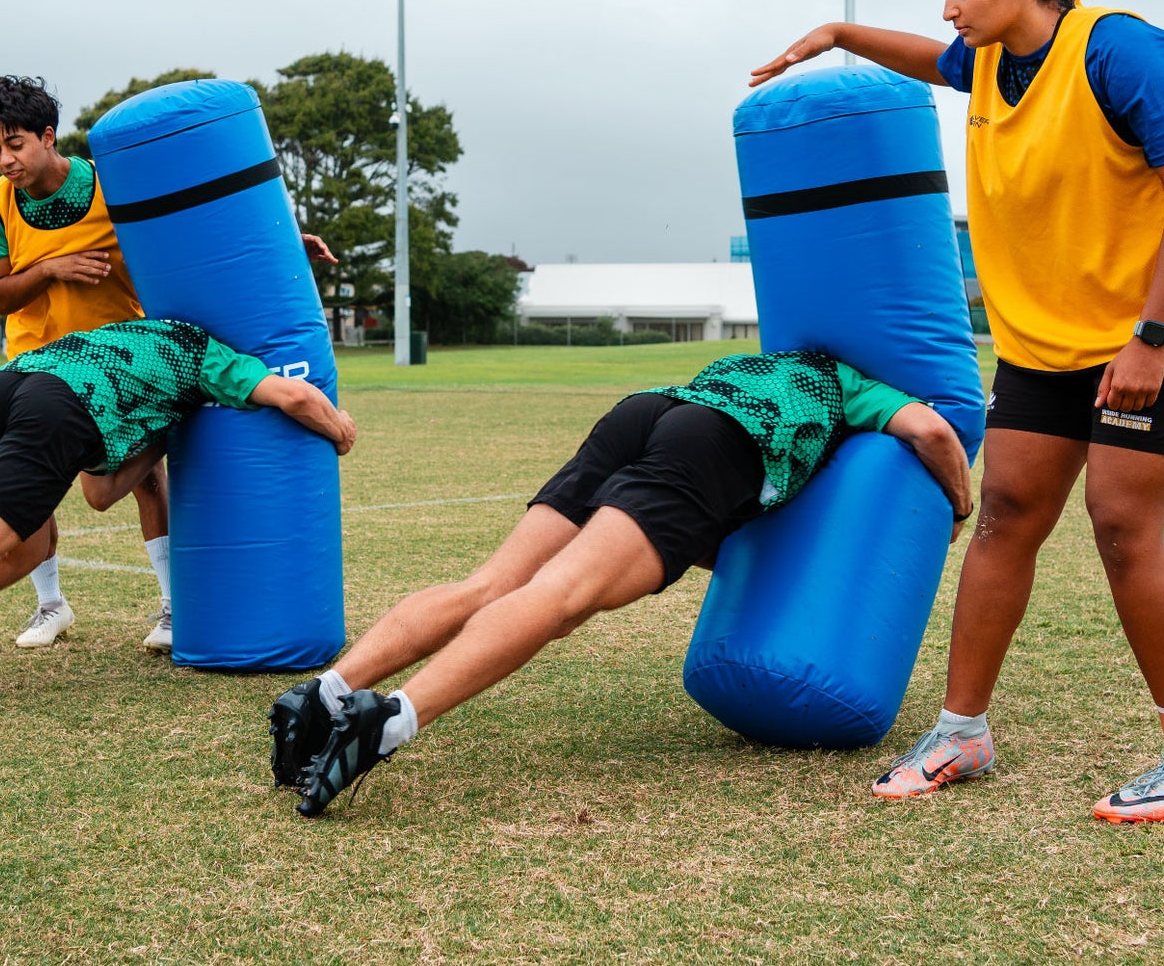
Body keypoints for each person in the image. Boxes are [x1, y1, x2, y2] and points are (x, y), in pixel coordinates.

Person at [752, 0, 1164, 823]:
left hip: (1158, 335)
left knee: (1118, 522)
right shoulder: (987, 63)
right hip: (1044, 340)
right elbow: (928, 58)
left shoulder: (1115, 48)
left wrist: (1150, 336)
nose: (947, 9)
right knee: (1006, 513)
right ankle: (961, 731)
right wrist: (836, 34)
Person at [268, 349, 972, 817]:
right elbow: (933, 433)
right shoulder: (853, 384)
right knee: (557, 598)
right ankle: (388, 722)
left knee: (493, 582)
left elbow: (695, 533)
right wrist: (956, 509)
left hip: (646, 410)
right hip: (713, 444)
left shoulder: (759, 360)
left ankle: (323, 691)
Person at [0, 76, 338, 653]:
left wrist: (286, 242)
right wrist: (50, 269)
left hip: (121, 357)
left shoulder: (109, 185)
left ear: (47, 136)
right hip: (37, 361)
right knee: (29, 490)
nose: (5, 159)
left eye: (14, 144)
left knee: (139, 483)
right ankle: (51, 605)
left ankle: (171, 606)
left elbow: (188, 233)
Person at [0, 319, 355, 697]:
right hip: (57, 410)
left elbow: (100, 495)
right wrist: (342, 431)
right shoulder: (212, 358)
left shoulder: (148, 331)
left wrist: (167, 433)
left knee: (26, 549)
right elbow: (296, 397)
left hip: (5, 386)